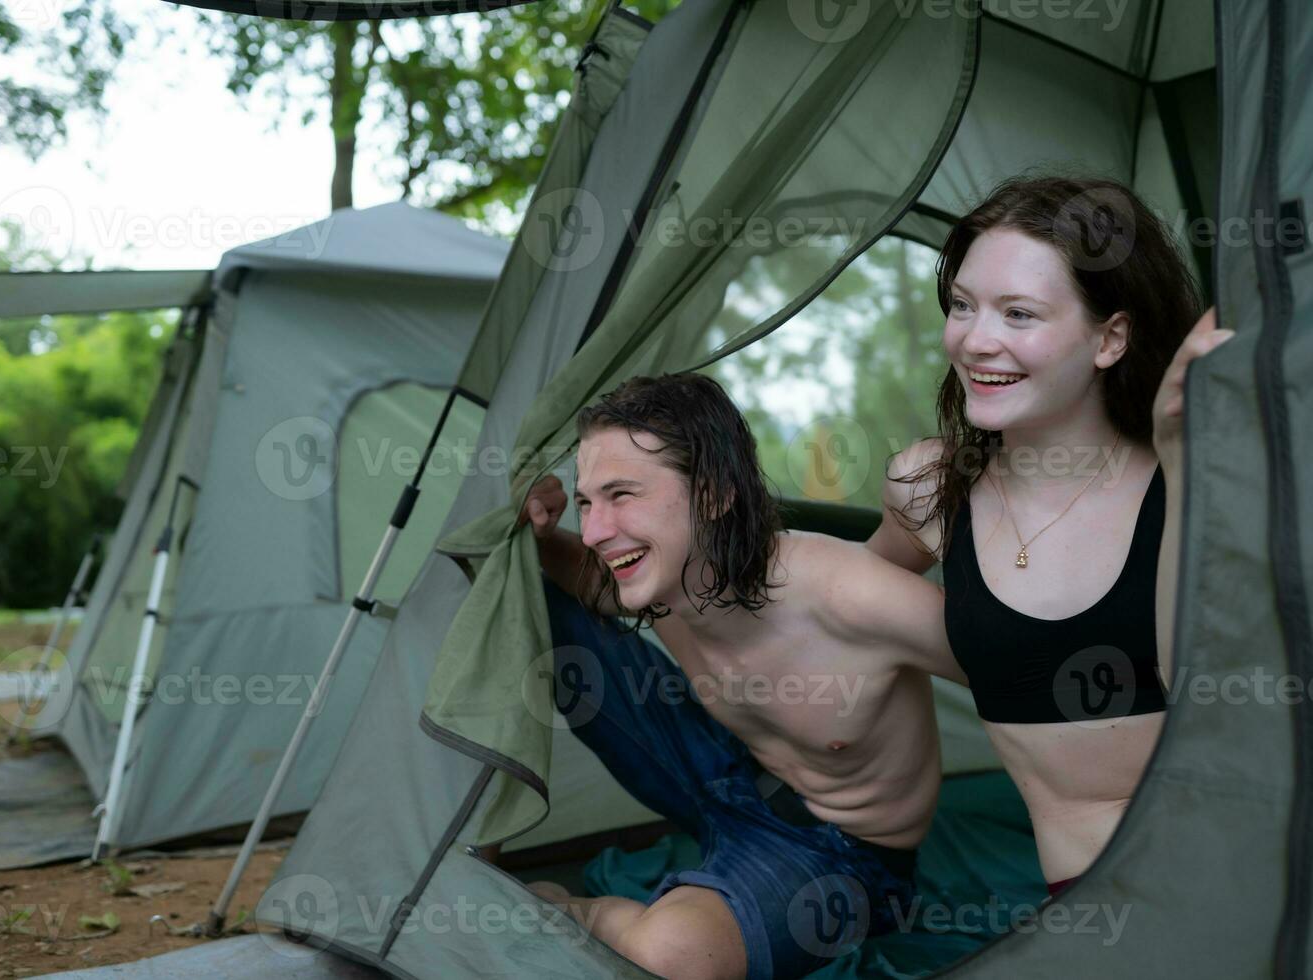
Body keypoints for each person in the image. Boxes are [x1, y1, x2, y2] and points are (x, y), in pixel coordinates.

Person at [517, 373, 963, 980]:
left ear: (715, 494)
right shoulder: (656, 571)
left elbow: (1021, 668)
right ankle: (457, 856)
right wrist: (534, 532)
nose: (595, 530)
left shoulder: (846, 594)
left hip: (837, 853)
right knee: (522, 591)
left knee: (671, 957)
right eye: (588, 500)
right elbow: (594, 586)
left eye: (622, 494)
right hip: (719, 771)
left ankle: (566, 911)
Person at [867, 175, 1231, 897]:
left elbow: (1204, 688)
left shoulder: (1196, 476)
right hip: (1087, 909)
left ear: (1110, 338)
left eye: (1019, 314)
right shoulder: (928, 487)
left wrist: (1183, 455)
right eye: (963, 306)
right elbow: (841, 602)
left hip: (1243, 870)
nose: (975, 340)